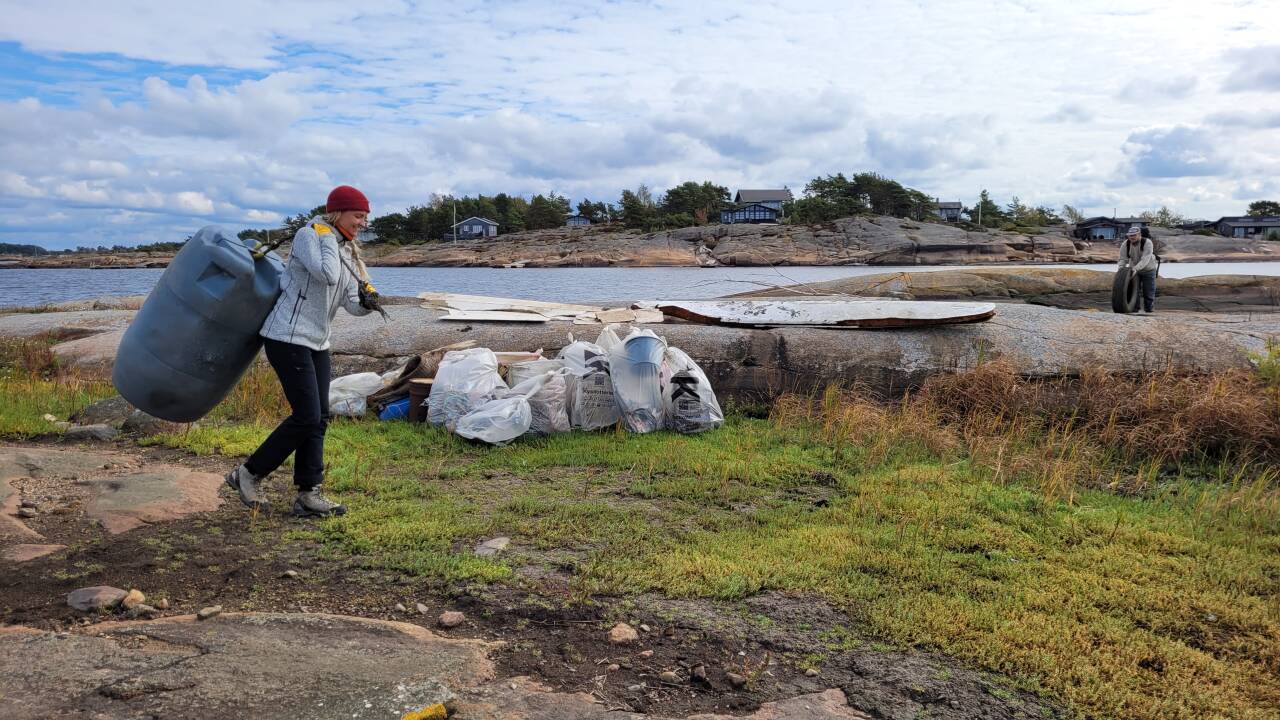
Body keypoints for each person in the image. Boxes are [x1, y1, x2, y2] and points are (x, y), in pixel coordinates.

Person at [225, 185, 381, 517]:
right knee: (307, 416)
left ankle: (309, 494)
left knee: (319, 417)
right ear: (338, 213)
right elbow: (326, 274)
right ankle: (248, 474)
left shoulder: (347, 250)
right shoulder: (310, 236)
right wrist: (326, 234)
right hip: (286, 337)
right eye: (358, 216)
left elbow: (350, 305)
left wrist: (367, 303)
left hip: (317, 342)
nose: (363, 223)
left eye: (366, 217)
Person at [1118, 226, 1158, 314]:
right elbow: (1122, 259)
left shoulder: (1147, 243)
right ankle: (1135, 310)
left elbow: (1145, 259)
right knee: (1134, 291)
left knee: (1148, 291)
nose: (1132, 237)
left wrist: (1136, 268)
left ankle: (1149, 310)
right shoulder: (1126, 244)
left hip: (1148, 269)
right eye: (1130, 235)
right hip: (1134, 270)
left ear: (1139, 235)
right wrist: (1121, 270)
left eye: (1134, 235)